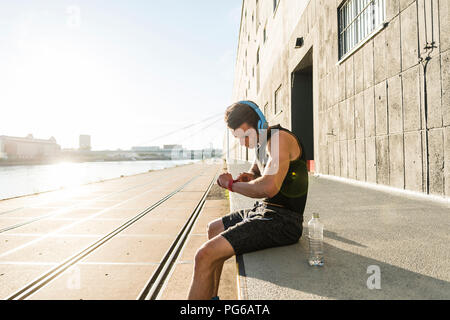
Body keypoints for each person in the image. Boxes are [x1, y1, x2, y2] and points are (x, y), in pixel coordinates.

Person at [187, 101, 309, 300]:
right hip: (264, 212)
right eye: (238, 138)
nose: (243, 143)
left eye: (245, 136)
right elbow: (257, 172)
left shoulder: (279, 140)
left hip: (284, 221)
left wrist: (230, 185)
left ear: (260, 123)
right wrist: (248, 177)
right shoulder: (262, 143)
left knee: (204, 255)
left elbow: (268, 187)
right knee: (213, 228)